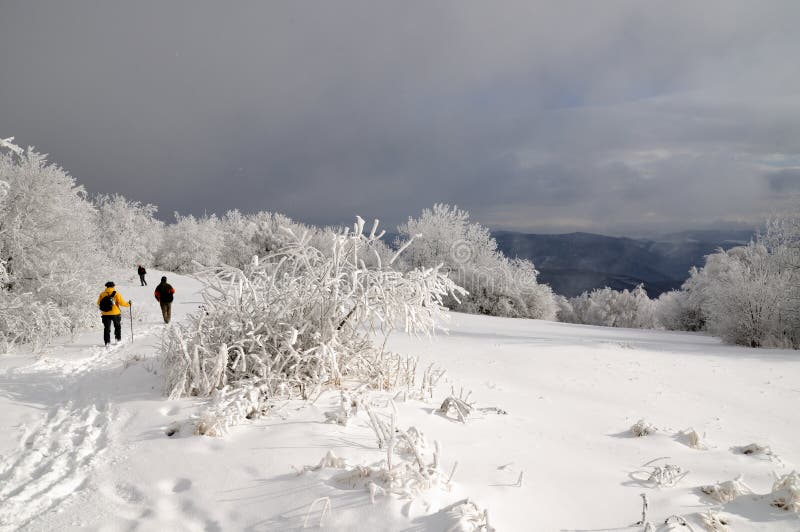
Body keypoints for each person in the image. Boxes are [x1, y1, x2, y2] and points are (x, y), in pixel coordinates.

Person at [97, 281, 131, 346]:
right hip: (115, 313)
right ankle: (117, 340)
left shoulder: (102, 294)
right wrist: (128, 304)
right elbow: (122, 303)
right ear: (113, 286)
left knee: (106, 328)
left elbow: (98, 303)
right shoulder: (116, 294)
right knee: (117, 326)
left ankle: (107, 342)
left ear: (106, 286)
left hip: (105, 314)